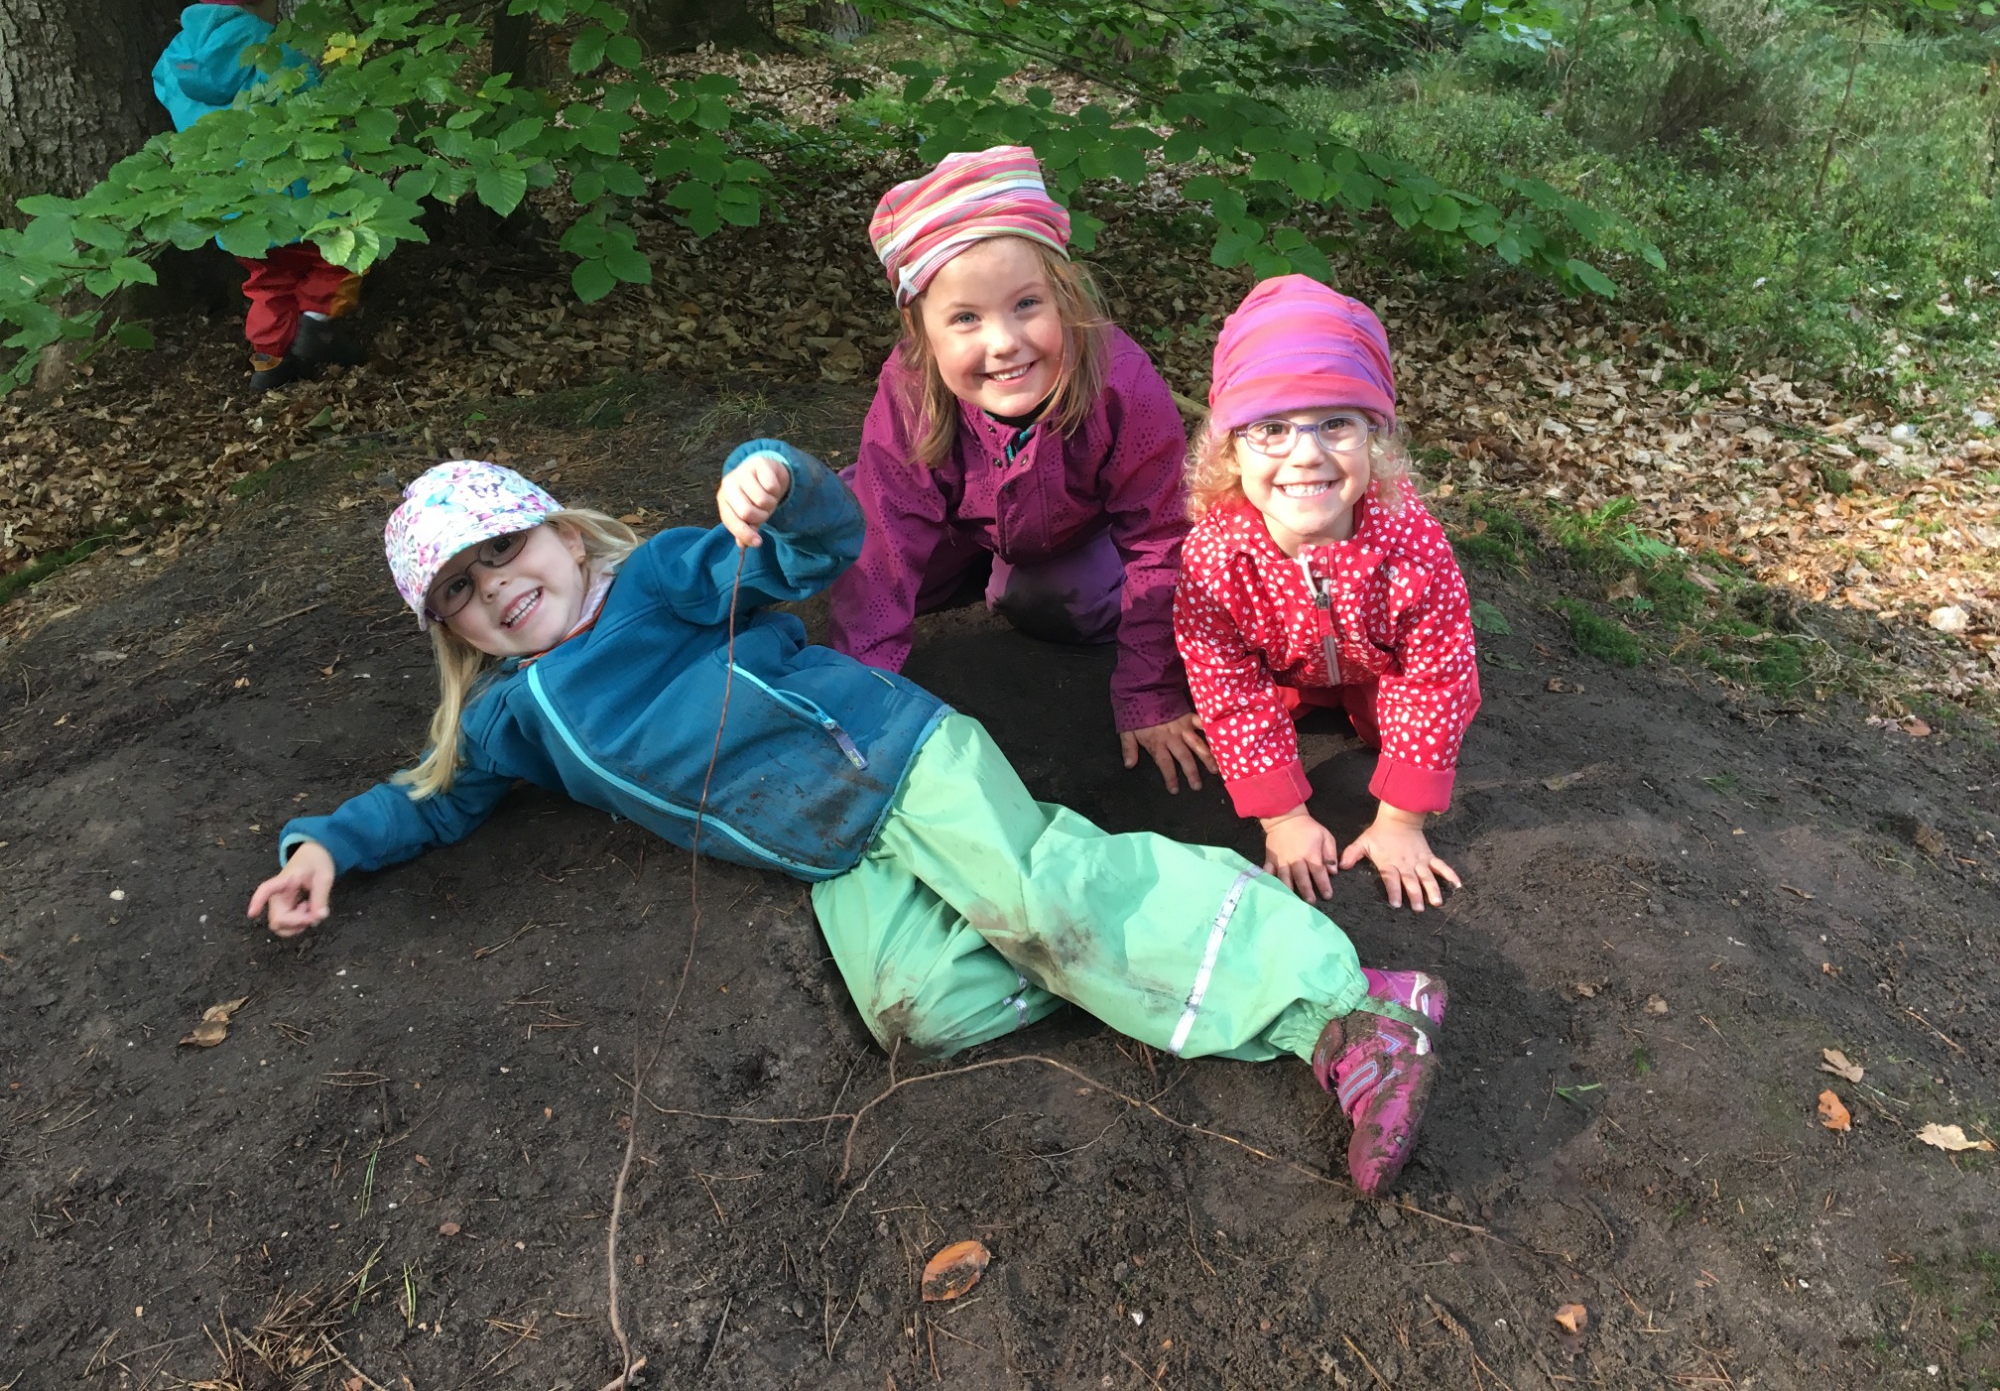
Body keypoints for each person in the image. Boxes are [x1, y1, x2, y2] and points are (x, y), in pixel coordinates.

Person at [246, 443, 1450, 1194]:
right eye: (460, 590)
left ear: (562, 533)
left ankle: (1344, 1010)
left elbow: (809, 552)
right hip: (831, 849)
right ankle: (1102, 931)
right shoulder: (514, 718)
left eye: (506, 548)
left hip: (897, 759)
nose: (499, 586)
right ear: (451, 631)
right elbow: (435, 793)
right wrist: (327, 847)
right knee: (917, 1009)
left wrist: (773, 481)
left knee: (1038, 904)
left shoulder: (658, 582)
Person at [826, 146, 1212, 795]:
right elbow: (885, 549)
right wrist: (862, 700)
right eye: (966, 318)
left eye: (1026, 304)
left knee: (1070, 604)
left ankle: (999, 573)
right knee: (849, 552)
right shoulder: (910, 389)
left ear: (1063, 294)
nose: (1004, 342)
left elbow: (1160, 537)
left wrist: (1149, 691)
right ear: (921, 332)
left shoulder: (1120, 382)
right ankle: (843, 501)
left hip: (1070, 533)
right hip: (955, 518)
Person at [1173, 276, 1481, 913]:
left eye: (1336, 423)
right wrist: (1283, 817)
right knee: (1236, 725)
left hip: (1379, 670)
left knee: (1405, 732)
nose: (1306, 455)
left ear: (1376, 438)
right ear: (1229, 450)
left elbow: (1435, 678)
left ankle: (1374, 744)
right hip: (1281, 669)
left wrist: (1401, 821)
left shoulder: (1412, 545)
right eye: (1272, 428)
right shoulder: (1215, 557)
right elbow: (1227, 683)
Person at [152, 0, 363, 391]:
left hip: (234, 206)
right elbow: (316, 113)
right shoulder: (274, 53)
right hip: (297, 196)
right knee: (343, 251)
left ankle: (269, 364)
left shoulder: (176, 57)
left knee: (267, 282)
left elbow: (166, 92)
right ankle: (317, 328)